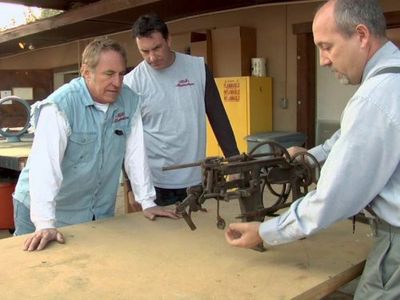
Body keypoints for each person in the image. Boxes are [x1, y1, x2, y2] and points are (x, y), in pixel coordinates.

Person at [225, 0, 400, 298]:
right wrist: (308, 158)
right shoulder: (390, 83)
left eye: (327, 46)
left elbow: (334, 197)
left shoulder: (375, 97)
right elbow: (345, 140)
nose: (323, 60)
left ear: (361, 35)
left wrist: (266, 231)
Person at [13, 37, 178, 251]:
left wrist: (147, 201)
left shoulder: (129, 101)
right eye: (109, 74)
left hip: (96, 211)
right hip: (45, 212)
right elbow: (45, 167)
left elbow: (135, 154)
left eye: (121, 74)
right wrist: (45, 222)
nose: (117, 82)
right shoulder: (60, 106)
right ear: (86, 72)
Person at [124, 14, 239, 208]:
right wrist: (130, 186)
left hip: (196, 179)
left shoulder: (198, 69)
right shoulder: (132, 82)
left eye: (157, 48)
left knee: (199, 235)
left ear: (169, 40)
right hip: (154, 183)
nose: (152, 57)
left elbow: (218, 116)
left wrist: (234, 160)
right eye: (144, 52)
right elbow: (126, 138)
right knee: (160, 238)